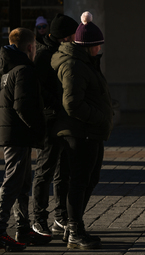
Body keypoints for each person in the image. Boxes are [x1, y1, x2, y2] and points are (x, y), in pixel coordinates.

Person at [51, 11, 114, 249]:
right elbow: (72, 103)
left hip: (90, 131)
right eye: (97, 44)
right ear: (89, 45)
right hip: (81, 132)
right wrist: (98, 117)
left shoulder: (86, 62)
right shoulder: (74, 66)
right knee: (79, 181)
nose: (100, 48)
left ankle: (73, 225)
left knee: (90, 178)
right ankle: (74, 228)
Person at [0, 28, 48, 251]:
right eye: (36, 47)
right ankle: (1, 229)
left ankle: (23, 228)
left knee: (21, 183)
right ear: (30, 47)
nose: (36, 51)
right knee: (13, 182)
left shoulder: (7, 70)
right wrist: (40, 130)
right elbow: (24, 107)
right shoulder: (24, 71)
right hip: (18, 134)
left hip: (12, 133)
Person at [32, 13, 79, 238]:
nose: (74, 39)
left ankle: (60, 218)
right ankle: (38, 218)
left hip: (64, 118)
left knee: (64, 171)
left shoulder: (64, 52)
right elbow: (40, 91)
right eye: (72, 36)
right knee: (45, 169)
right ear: (64, 37)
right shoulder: (44, 56)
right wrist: (60, 105)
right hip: (51, 119)